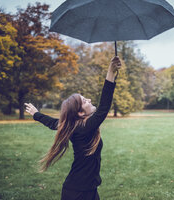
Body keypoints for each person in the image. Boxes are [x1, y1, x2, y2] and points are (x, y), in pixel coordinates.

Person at [24, 56, 121, 200]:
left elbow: (54, 123)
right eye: (84, 101)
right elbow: (104, 107)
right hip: (78, 193)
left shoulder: (73, 126)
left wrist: (36, 114)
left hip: (88, 190)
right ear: (80, 113)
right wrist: (110, 72)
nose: (88, 99)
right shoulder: (83, 128)